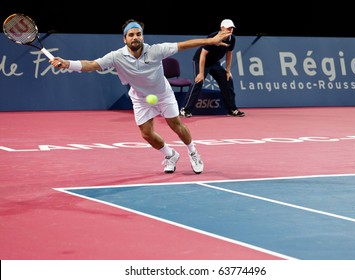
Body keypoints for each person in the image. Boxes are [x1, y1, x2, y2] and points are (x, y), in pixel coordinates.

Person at [49, 19, 232, 174]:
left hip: (162, 94)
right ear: (125, 39)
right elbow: (92, 64)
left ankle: (192, 151)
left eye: (138, 34)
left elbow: (183, 45)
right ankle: (170, 155)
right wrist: (67, 64)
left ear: (142, 36)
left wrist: (210, 41)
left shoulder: (156, 50)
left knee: (175, 124)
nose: (135, 37)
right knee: (146, 133)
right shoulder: (116, 57)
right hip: (140, 97)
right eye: (131, 35)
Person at [179, 19, 245, 118]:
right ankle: (185, 109)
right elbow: (203, 55)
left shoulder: (232, 39)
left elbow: (229, 54)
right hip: (201, 61)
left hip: (215, 63)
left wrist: (228, 70)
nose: (230, 30)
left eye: (232, 28)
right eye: (228, 28)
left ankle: (232, 109)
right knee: (198, 81)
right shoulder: (213, 37)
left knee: (227, 80)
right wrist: (201, 73)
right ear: (222, 28)